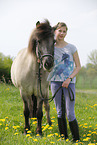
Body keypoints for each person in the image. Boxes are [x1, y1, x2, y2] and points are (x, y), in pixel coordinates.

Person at [47, 22, 81, 141]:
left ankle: (76, 140)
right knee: (60, 112)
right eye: (60, 30)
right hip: (55, 83)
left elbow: (78, 67)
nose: (62, 33)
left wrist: (69, 79)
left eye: (64, 31)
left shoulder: (71, 47)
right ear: (55, 31)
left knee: (70, 112)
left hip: (69, 83)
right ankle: (64, 138)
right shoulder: (50, 47)